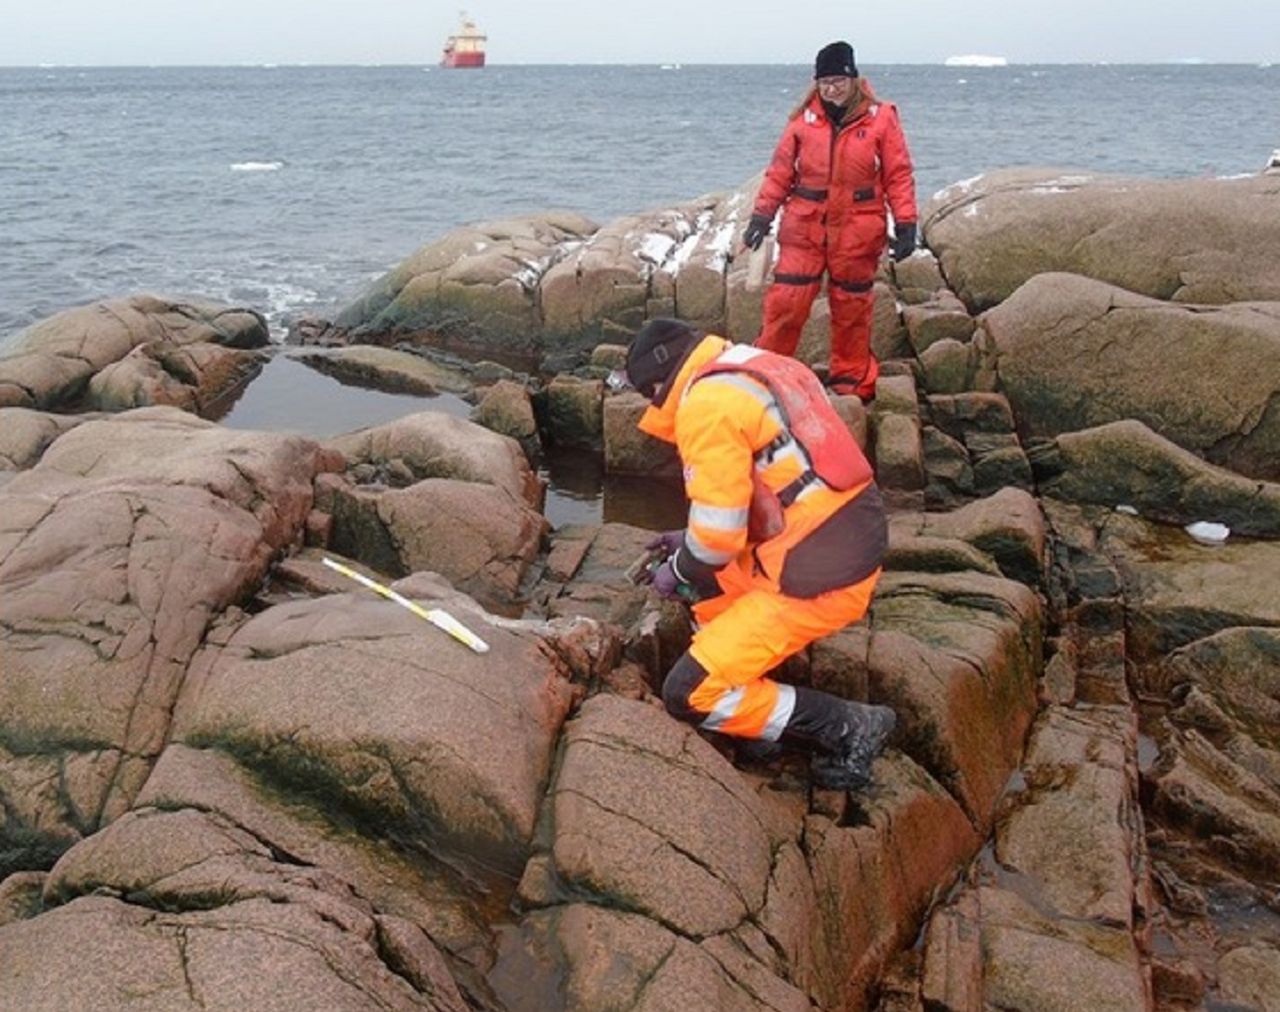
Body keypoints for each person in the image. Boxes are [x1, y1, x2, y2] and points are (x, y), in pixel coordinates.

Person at [613, 318, 896, 791]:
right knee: (706, 585)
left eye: (649, 395)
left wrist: (679, 566)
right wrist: (690, 540)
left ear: (660, 384)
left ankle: (850, 726)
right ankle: (755, 715)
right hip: (837, 535)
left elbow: (719, 538)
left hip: (815, 571)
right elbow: (782, 481)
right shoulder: (757, 367)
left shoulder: (704, 405)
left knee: (689, 693)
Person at [743, 40, 918, 403]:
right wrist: (761, 217)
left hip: (857, 230)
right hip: (804, 228)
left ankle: (851, 382)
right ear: (816, 83)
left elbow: (898, 175)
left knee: (852, 310)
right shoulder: (801, 122)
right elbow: (778, 174)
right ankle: (766, 376)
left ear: (853, 79)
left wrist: (905, 224)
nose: (832, 88)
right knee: (786, 304)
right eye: (825, 82)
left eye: (838, 79)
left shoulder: (882, 117)